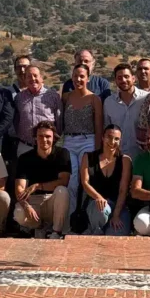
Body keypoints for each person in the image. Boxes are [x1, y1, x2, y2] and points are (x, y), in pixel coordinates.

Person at [13, 121, 70, 238]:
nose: (44, 140)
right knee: (19, 213)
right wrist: (26, 206)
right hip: (33, 201)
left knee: (62, 191)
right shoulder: (25, 158)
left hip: (52, 200)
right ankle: (37, 227)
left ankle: (55, 231)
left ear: (54, 138)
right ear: (35, 138)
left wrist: (38, 186)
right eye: (40, 136)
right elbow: (19, 187)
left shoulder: (62, 154)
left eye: (48, 136)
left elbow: (64, 181)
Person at [62, 64, 103, 214]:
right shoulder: (66, 97)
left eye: (82, 76)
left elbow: (99, 126)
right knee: (71, 181)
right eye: (75, 76)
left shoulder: (94, 99)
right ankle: (70, 218)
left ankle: (87, 217)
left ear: (88, 78)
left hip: (88, 141)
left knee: (86, 180)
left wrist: (98, 150)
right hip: (69, 142)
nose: (78, 79)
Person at [79, 124, 132, 235]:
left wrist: (116, 215)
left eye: (116, 139)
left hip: (118, 206)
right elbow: (85, 183)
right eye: (109, 137)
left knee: (115, 236)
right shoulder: (88, 157)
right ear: (102, 137)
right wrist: (98, 197)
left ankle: (100, 230)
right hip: (95, 204)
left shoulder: (125, 160)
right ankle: (94, 230)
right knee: (102, 210)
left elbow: (123, 190)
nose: (112, 142)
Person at [14, 66, 62, 157]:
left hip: (48, 147)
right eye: (29, 76)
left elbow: (59, 121)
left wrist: (54, 140)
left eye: (35, 75)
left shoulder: (53, 96)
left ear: (41, 77)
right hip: (25, 146)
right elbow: (16, 120)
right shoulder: (19, 98)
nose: (33, 79)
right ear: (24, 79)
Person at [103, 63, 148, 160]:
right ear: (115, 81)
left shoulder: (146, 98)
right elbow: (107, 130)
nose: (123, 80)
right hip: (118, 156)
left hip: (143, 156)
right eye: (119, 78)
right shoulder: (109, 102)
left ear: (133, 78)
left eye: (126, 76)